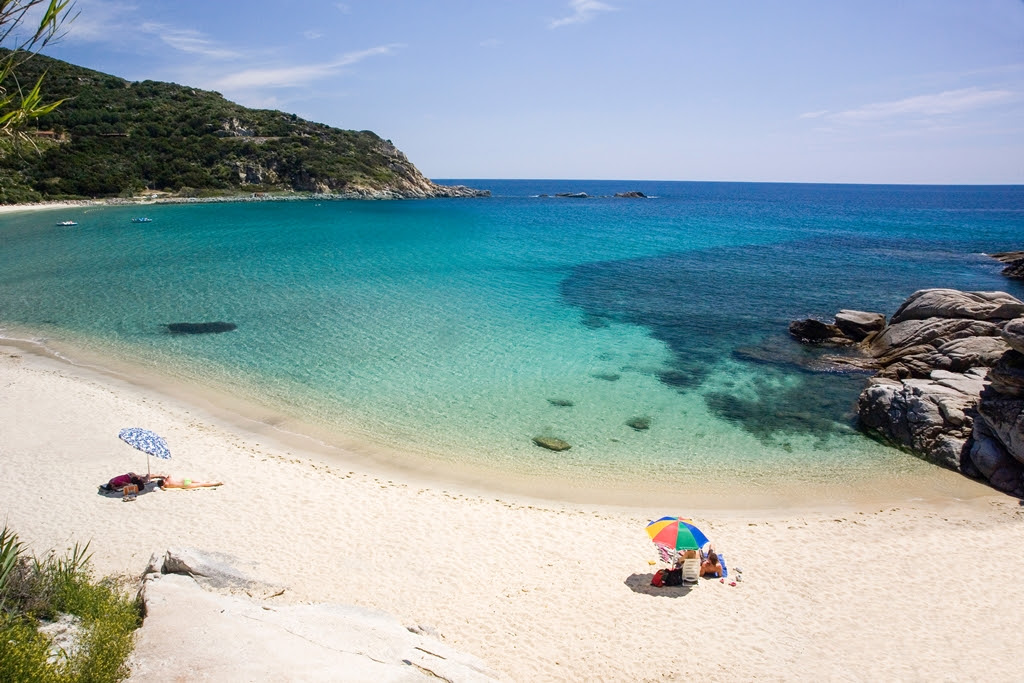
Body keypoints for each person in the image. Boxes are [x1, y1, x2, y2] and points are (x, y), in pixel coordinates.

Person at [153, 474, 223, 489]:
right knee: (200, 483)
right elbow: (169, 475)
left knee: (202, 484)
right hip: (185, 481)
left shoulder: (166, 485)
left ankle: (216, 483)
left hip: (185, 485)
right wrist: (163, 476)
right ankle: (213, 482)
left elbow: (163, 489)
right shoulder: (168, 480)